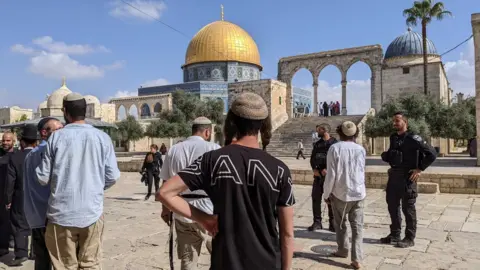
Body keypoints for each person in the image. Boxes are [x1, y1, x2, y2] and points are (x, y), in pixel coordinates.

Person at [157, 92, 295, 270]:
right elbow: (287, 234)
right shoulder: (280, 169)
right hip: (267, 262)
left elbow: (164, 192)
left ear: (230, 123)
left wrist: (204, 219)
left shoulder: (213, 160)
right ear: (263, 125)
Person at [36, 93, 121, 269]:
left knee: (65, 265)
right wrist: (94, 187)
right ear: (86, 111)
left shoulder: (56, 138)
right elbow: (112, 176)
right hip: (92, 212)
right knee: (90, 264)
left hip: (61, 215)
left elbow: (42, 177)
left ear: (65, 112)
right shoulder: (102, 138)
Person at [159, 117, 220, 270]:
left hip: (181, 210)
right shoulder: (214, 148)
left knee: (188, 259)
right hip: (209, 210)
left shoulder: (174, 150)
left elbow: (166, 183)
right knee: (219, 256)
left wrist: (165, 209)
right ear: (207, 131)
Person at [380, 112, 437, 248]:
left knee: (408, 209)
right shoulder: (393, 137)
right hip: (393, 176)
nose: (395, 123)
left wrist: (419, 169)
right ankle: (395, 234)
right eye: (394, 121)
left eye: (398, 121)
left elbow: (432, 154)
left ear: (405, 122)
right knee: (392, 206)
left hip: (407, 178)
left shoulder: (413, 138)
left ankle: (410, 238)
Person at [323, 121, 366, 269]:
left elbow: (331, 175)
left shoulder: (334, 148)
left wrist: (326, 194)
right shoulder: (361, 149)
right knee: (357, 227)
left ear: (340, 132)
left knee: (340, 225)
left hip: (339, 193)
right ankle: (357, 259)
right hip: (358, 193)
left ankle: (342, 250)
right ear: (355, 133)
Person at [24, 117, 63, 270]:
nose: (62, 133)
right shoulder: (48, 152)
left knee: (42, 259)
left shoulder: (30, 155)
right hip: (50, 216)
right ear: (44, 132)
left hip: (36, 216)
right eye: (58, 130)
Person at [5, 125, 38, 266]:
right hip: (38, 197)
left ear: (22, 141)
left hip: (20, 195)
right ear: (35, 142)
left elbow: (10, 181)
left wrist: (8, 199)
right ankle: (35, 251)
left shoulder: (16, 157)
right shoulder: (41, 155)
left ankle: (21, 253)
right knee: (38, 224)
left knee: (19, 224)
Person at [309, 124, 337, 232]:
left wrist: (328, 170)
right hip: (318, 177)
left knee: (331, 200)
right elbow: (312, 158)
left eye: (318, 130)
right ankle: (317, 222)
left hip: (330, 177)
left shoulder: (335, 144)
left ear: (324, 130)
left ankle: (332, 223)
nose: (317, 132)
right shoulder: (317, 144)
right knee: (315, 198)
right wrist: (315, 169)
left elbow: (336, 160)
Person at [0, 132, 16, 257]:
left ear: (13, 142)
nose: (5, 143)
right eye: (3, 140)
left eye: (8, 140)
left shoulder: (15, 157)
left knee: (7, 220)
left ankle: (5, 245)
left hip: (11, 194)